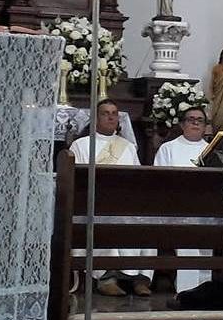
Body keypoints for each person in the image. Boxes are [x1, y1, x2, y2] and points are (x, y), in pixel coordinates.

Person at [69, 99, 154, 297]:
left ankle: (140, 279)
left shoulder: (128, 146)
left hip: (126, 202)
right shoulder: (80, 145)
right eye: (105, 113)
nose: (110, 117)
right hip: (95, 202)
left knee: (145, 224)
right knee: (106, 219)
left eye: (114, 113)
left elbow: (138, 180)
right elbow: (78, 181)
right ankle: (107, 277)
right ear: (96, 118)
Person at [154, 106, 212, 293]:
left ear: (205, 127)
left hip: (206, 208)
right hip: (175, 207)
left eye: (200, 120)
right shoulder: (168, 149)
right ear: (182, 124)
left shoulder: (211, 150)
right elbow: (158, 182)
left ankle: (204, 289)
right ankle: (188, 290)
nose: (195, 123)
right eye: (190, 119)